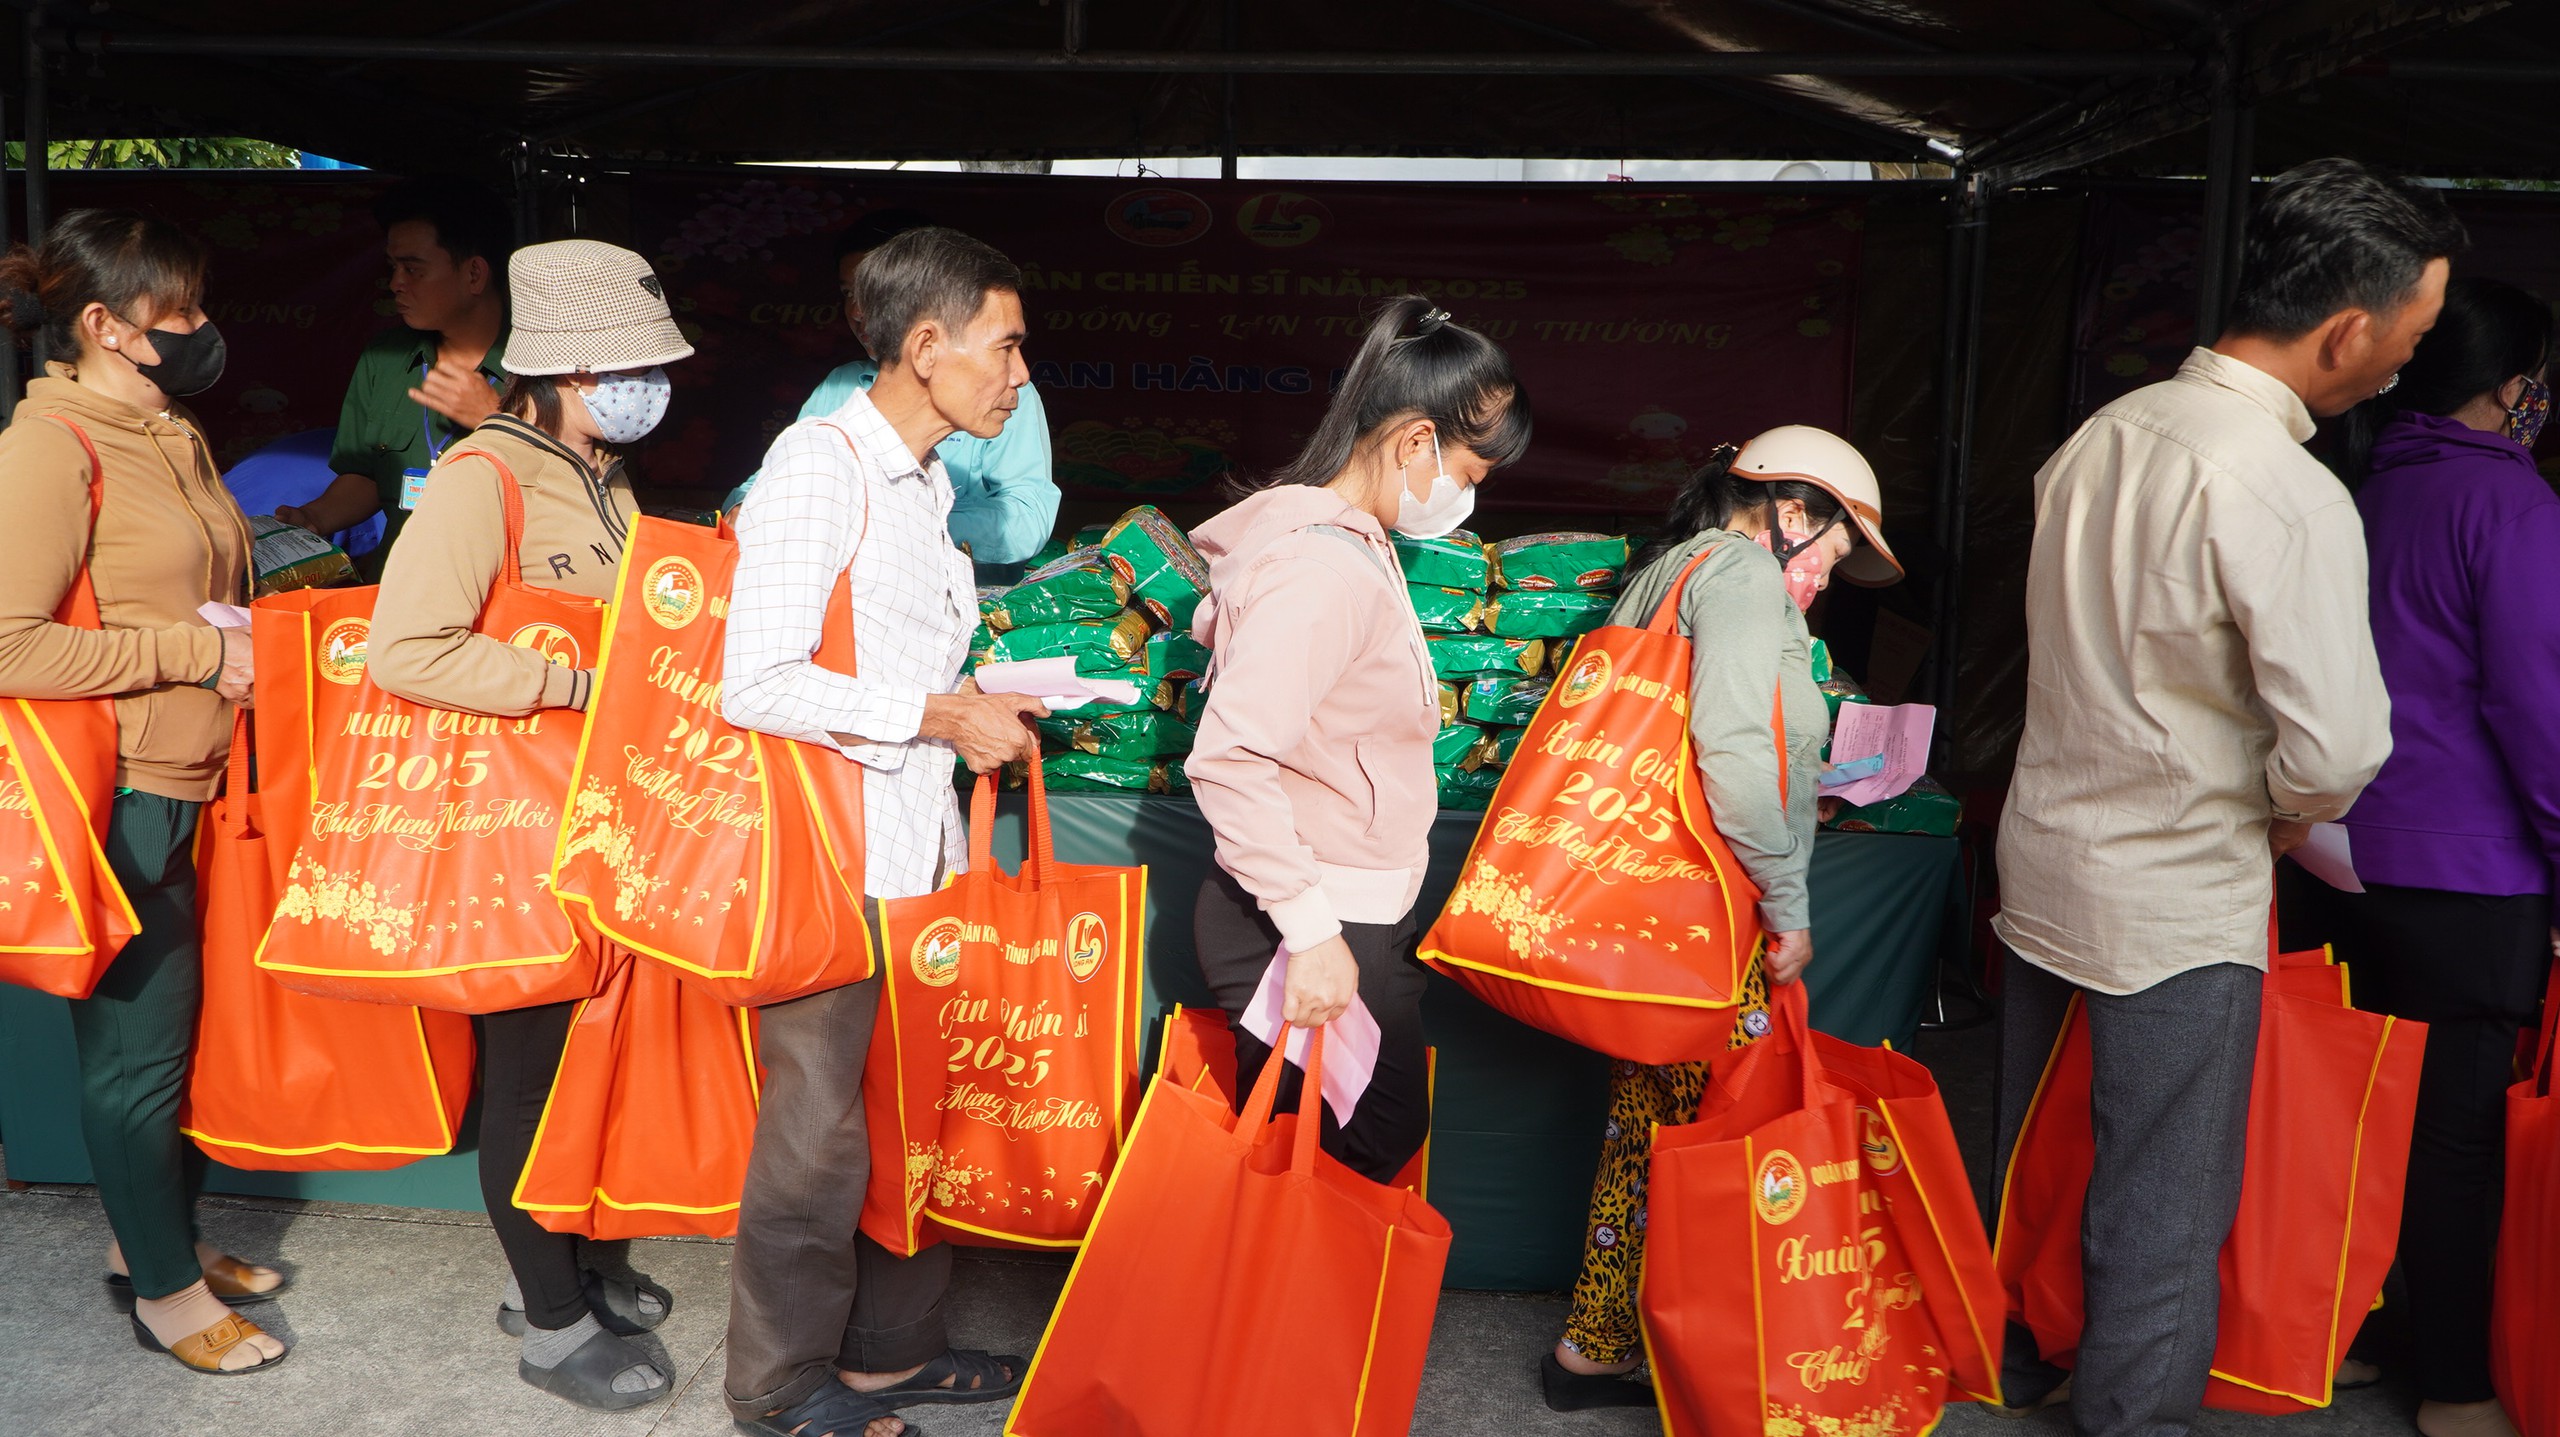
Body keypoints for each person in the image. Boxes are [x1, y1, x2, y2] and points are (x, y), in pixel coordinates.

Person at [1991, 157, 2460, 1437]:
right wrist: (2290, 812)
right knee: (2163, 1193)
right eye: (2408, 342)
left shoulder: (2105, 434)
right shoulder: (2284, 486)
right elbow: (2340, 740)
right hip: (2177, 892)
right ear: (2346, 329)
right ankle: (2130, 1419)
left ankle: (2018, 1354)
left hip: (2046, 862)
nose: (2403, 368)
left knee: (2046, 1152)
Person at [720, 224, 1052, 1437]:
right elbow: (751, 678)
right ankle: (774, 1385)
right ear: (926, 347)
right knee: (815, 1141)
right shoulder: (819, 465)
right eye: (1005, 348)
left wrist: (981, 699)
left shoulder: (925, 485)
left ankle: (887, 1351)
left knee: (917, 1111)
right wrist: (932, 711)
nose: (1019, 377)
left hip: (918, 858)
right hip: (836, 857)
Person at [367, 238, 691, 1411]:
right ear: (566, 369)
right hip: (516, 829)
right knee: (526, 1078)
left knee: (578, 1071)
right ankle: (550, 1320)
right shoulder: (482, 476)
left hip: (597, 827)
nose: (649, 384)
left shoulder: (603, 476)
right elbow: (406, 649)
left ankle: (573, 1260)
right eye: (630, 365)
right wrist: (570, 686)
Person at [1542, 427, 1902, 1411]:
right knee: (1725, 1127)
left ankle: (1600, 1341)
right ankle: (1720, 1348)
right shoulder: (1742, 578)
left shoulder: (1670, 570)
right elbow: (1737, 757)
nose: (1823, 581)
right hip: (1710, 913)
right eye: (1828, 556)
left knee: (1651, 1123)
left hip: (1643, 904)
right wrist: (1787, 901)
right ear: (1791, 516)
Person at [0, 210, 275, 1373]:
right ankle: (162, 1290)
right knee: (135, 1056)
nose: (203, 332)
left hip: (201, 781)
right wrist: (191, 653)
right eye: (180, 315)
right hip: (122, 795)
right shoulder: (49, 446)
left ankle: (154, 1238)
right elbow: (9, 646)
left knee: (174, 1042)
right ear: (104, 325)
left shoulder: (171, 429)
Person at [1184, 296, 1531, 1187]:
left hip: (1341, 900)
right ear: (1416, 441)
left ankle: (1285, 1320)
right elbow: (1231, 756)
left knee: (1331, 1144)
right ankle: (1266, 1322)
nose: (1475, 491)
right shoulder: (1319, 568)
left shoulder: (1349, 547)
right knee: (1344, 1143)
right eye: (1473, 467)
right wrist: (1309, 931)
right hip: (1314, 908)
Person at [2313, 277, 2555, 1437]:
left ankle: (2349, 1338)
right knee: (2456, 1129)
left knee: (2356, 1113)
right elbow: (2537, 705)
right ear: (2512, 389)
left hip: (2340, 855)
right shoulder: (2508, 506)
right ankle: (2454, 1387)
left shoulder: (2359, 494)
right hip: (2472, 867)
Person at [722, 208, 1060, 582]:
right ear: (925, 346)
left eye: (872, 294)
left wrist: (903, 522)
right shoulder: (831, 413)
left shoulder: (1003, 394)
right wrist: (747, 508)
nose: (858, 311)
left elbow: (1026, 518)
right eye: (848, 292)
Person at [282, 177, 512, 574]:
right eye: (393, 267)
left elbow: (572, 489)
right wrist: (314, 519)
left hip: (502, 590)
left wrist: (498, 425)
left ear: (474, 274)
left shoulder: (544, 366)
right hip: (397, 590)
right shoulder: (385, 358)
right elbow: (368, 476)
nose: (395, 283)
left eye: (413, 268)